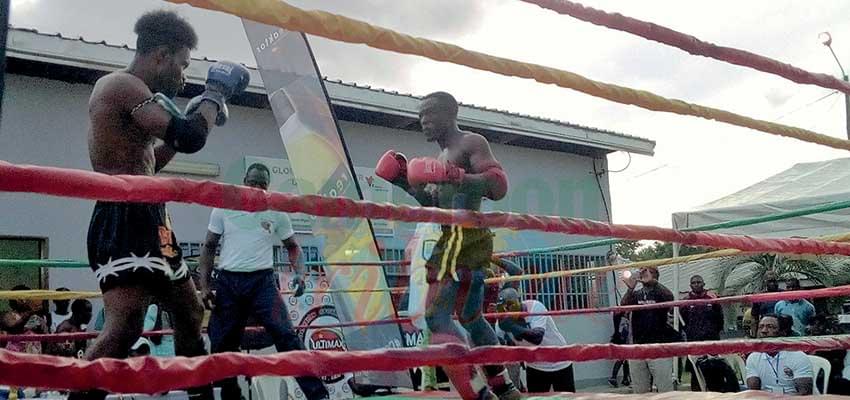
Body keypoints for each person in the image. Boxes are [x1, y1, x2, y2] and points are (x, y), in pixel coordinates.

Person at [76, 9, 249, 400]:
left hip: (151, 215)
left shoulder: (140, 98)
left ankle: (200, 395)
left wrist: (192, 118)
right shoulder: (120, 85)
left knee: (189, 312)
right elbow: (191, 138)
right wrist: (214, 95)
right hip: (122, 213)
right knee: (125, 327)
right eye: (182, 65)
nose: (183, 76)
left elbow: (152, 161)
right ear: (161, 55)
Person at [375, 91, 517, 400]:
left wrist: (455, 174)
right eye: (421, 116)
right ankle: (503, 387)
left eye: (430, 114)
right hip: (465, 239)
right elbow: (435, 203)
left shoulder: (470, 143)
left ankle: (477, 393)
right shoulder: (440, 157)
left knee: (436, 318)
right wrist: (404, 183)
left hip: (459, 239)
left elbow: (499, 186)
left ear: (450, 114)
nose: (423, 121)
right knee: (470, 318)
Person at [198, 163, 329, 400]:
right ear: (244, 181)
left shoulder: (276, 210)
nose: (256, 188)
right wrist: (205, 286)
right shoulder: (224, 206)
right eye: (253, 182)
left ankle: (318, 395)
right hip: (229, 281)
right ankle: (229, 396)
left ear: (267, 187)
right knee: (221, 343)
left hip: (262, 282)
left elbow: (293, 247)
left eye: (262, 184)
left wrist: (300, 274)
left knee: (286, 335)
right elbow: (208, 247)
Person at [495, 288, 574, 393]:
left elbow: (537, 338)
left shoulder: (535, 307)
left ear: (519, 300)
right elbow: (503, 349)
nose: (507, 310)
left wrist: (512, 326)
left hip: (560, 361)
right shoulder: (501, 323)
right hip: (535, 366)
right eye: (503, 307)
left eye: (510, 304)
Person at [620, 267, 677, 393]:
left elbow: (670, 298)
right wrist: (630, 288)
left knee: (665, 389)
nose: (644, 274)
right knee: (640, 391)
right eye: (643, 272)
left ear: (656, 275)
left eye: (649, 272)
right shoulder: (636, 294)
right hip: (637, 347)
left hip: (659, 347)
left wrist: (654, 282)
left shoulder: (661, 293)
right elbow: (622, 307)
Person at [745, 314, 813, 395]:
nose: (764, 331)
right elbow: (753, 393)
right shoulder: (753, 357)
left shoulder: (798, 356)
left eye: (770, 327)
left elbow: (805, 394)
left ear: (783, 332)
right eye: (761, 327)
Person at [680, 274, 724, 391]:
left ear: (703, 284)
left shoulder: (712, 298)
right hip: (694, 343)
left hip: (712, 342)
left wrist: (712, 331)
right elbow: (682, 322)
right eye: (693, 283)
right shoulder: (685, 302)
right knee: (696, 376)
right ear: (690, 285)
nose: (696, 285)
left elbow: (720, 320)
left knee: (715, 375)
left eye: (698, 282)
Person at [750, 271, 781, 337]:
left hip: (781, 330)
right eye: (770, 281)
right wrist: (754, 335)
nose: (772, 283)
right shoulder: (759, 297)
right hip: (765, 329)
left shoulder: (785, 294)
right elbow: (754, 317)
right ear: (765, 282)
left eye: (774, 281)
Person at [608, 312, 631, 387]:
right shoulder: (624, 320)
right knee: (622, 359)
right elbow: (624, 331)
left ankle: (624, 379)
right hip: (623, 341)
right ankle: (614, 378)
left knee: (624, 360)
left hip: (620, 340)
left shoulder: (618, 319)